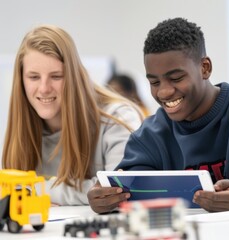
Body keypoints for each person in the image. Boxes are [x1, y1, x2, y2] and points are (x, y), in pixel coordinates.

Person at [87, 17, 229, 213]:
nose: (164, 92)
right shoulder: (150, 134)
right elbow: (127, 191)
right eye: (154, 82)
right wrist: (106, 199)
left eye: (176, 78)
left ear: (205, 68)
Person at [2, 25, 144, 205]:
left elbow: (118, 191)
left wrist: (36, 188)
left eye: (56, 76)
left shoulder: (117, 118)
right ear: (21, 80)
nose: (44, 88)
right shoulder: (23, 125)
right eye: (34, 77)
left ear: (73, 77)